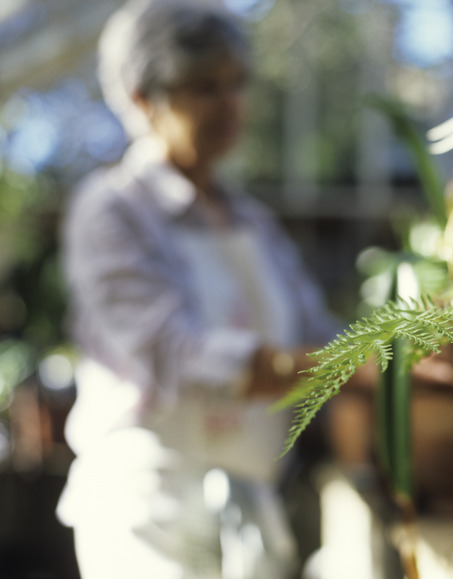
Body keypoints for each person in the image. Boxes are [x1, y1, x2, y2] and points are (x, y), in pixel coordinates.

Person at [56, 1, 340, 577]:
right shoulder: (113, 210)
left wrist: (400, 345)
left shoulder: (253, 222)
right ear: (142, 99)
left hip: (251, 502)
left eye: (237, 83)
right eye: (204, 87)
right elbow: (174, 352)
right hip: (148, 512)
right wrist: (344, 363)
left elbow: (318, 330)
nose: (230, 103)